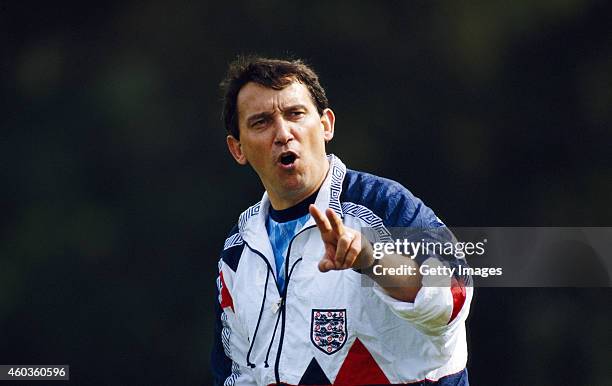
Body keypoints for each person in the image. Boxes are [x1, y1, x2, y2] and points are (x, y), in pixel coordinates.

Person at [211, 56, 472, 386]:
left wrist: (372, 259)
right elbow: (235, 375)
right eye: (261, 122)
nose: (283, 133)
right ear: (238, 149)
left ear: (325, 125)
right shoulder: (239, 249)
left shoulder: (383, 204)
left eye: (295, 114)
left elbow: (451, 298)